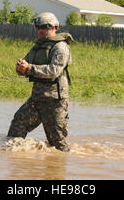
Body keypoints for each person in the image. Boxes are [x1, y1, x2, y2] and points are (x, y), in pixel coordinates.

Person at [7, 12, 73, 152]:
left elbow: (54, 71)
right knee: (17, 126)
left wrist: (29, 68)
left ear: (55, 27)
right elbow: (26, 64)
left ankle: (59, 168)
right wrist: (21, 67)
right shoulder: (38, 46)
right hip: (37, 98)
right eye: (39, 27)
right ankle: (15, 161)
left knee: (57, 143)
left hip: (55, 101)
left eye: (45, 27)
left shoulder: (61, 47)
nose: (41, 30)